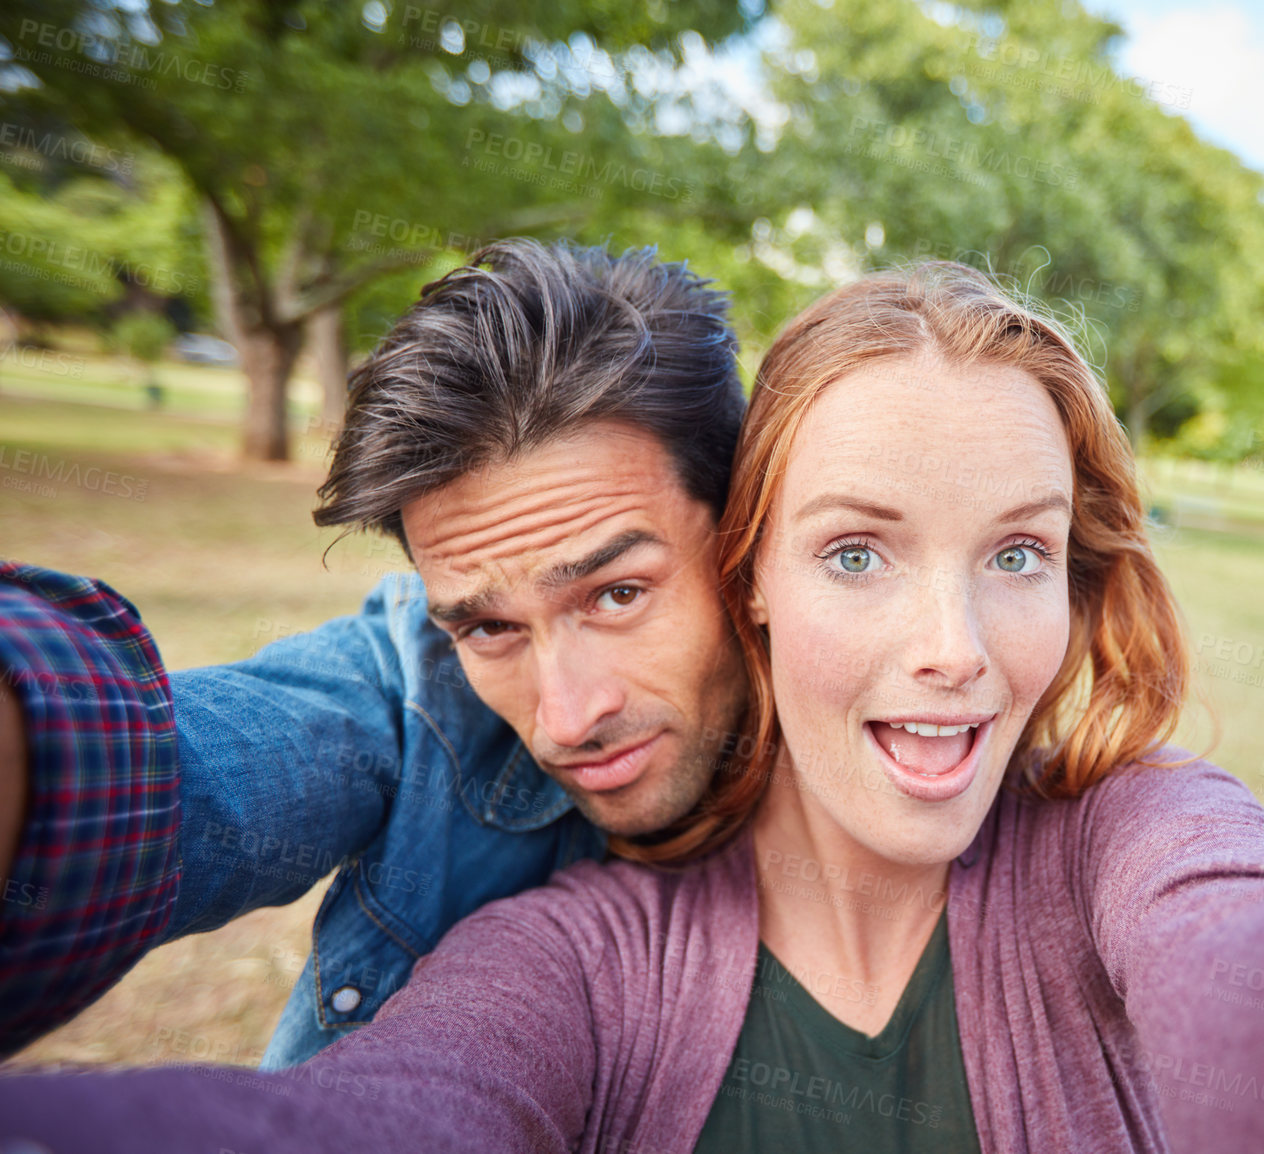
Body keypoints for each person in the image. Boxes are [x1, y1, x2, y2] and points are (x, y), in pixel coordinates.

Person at [4, 263, 1264, 1153]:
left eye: (1017, 554)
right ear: (759, 570)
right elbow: (364, 1089)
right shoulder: (573, 939)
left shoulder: (1134, 844)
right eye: (857, 554)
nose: (955, 646)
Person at [0, 240, 751, 1062]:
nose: (567, 720)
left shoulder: (889, 735)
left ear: (744, 537)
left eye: (617, 593)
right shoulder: (410, 685)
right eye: (489, 628)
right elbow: (166, 772)